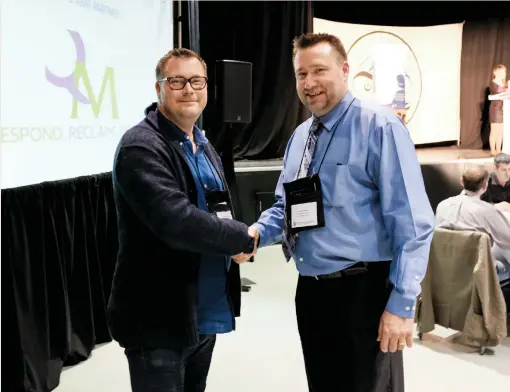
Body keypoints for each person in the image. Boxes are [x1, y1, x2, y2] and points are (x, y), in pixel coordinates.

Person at [234, 33, 435, 392]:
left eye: (319, 71)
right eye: (300, 74)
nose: (309, 83)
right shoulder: (299, 137)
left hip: (364, 294)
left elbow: (413, 223)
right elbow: (287, 207)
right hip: (311, 294)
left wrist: (403, 304)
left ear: (344, 70)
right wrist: (255, 234)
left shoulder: (380, 127)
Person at [107, 48, 257, 392]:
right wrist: (240, 238)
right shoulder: (140, 147)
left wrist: (231, 241)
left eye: (196, 81)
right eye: (177, 81)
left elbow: (217, 209)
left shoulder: (202, 143)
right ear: (159, 89)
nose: (188, 89)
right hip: (159, 320)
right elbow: (176, 221)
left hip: (202, 314)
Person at [435, 165, 510, 310]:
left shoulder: (442, 206)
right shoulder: (487, 212)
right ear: (485, 185)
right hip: (478, 275)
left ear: (461, 181)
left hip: (446, 272)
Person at [488, 64, 508, 156]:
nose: (504, 73)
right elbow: (496, 93)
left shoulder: (505, 84)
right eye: (502, 71)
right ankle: (493, 151)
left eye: (504, 71)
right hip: (495, 108)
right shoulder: (493, 82)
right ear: (495, 72)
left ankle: (498, 150)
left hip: (503, 108)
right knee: (494, 131)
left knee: (500, 131)